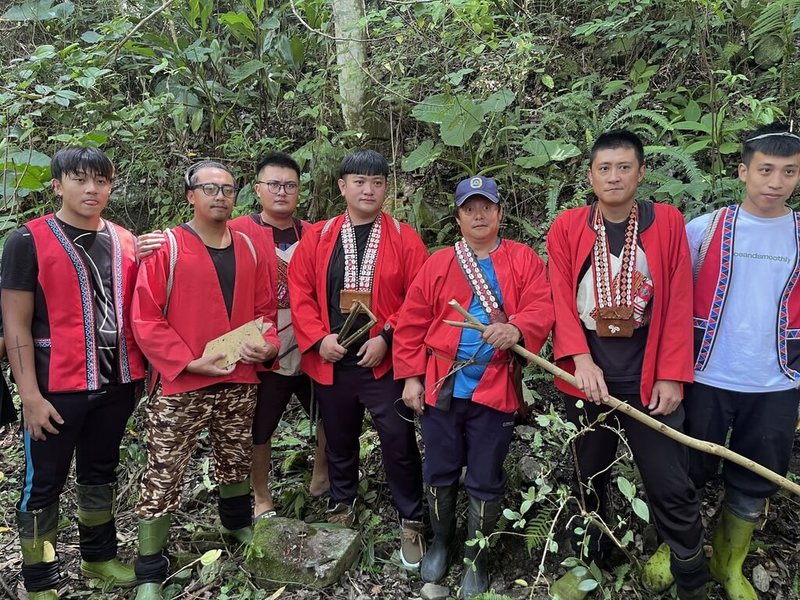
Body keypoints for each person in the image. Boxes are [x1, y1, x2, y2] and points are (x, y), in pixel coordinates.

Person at [546, 130, 707, 600]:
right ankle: (586, 561)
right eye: (604, 168)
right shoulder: (568, 227)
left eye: (623, 167)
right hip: (587, 375)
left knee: (669, 482)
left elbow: (679, 300)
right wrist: (578, 360)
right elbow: (558, 296)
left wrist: (673, 374)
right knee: (586, 476)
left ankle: (692, 578)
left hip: (649, 375)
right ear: (590, 176)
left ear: (640, 172)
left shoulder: (667, 222)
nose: (613, 177)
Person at [394, 176, 554, 598]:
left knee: (485, 474)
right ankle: (443, 539)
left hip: (494, 384)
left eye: (486, 207)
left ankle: (476, 555)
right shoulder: (440, 262)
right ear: (458, 217)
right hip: (442, 383)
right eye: (470, 208)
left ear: (500, 213)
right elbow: (411, 322)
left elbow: (542, 305)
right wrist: (411, 377)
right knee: (440, 469)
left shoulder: (522, 259)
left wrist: (517, 327)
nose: (479, 215)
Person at [130, 160, 279, 600]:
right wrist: (190, 362)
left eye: (228, 189)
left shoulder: (252, 247)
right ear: (190, 195)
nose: (220, 196)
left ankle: (236, 527)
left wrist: (267, 346)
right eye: (209, 188)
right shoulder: (167, 247)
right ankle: (149, 572)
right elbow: (145, 316)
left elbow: (266, 312)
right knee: (164, 471)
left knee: (235, 456)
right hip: (181, 383)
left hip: (239, 376)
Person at [1, 147, 146, 599]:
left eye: (100, 180)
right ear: (57, 185)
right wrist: (30, 395)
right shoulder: (28, 240)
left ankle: (98, 559)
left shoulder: (124, 239)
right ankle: (40, 580)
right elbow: (15, 323)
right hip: (55, 386)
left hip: (118, 382)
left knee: (100, 471)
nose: (91, 189)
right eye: (80, 180)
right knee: (43, 484)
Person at [288, 149, 428, 568]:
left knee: (399, 442)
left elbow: (419, 298)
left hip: (382, 363)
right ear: (342, 186)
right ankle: (342, 502)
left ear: (387, 187)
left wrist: (387, 335)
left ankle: (411, 519)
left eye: (378, 182)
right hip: (333, 360)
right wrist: (317, 338)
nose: (369, 190)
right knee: (339, 437)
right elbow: (301, 294)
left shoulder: (404, 237)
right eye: (360, 182)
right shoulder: (319, 236)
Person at [683, 124, 800, 600]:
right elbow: (668, 302)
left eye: (789, 172)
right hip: (705, 374)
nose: (776, 182)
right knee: (686, 468)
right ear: (742, 171)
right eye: (766, 170)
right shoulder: (705, 229)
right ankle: (678, 549)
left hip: (777, 381)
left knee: (755, 479)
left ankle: (729, 563)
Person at [229, 152, 329, 519]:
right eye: (274, 184)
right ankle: (260, 495)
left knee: (326, 414)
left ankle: (321, 478)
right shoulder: (238, 230)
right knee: (261, 423)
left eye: (289, 185)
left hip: (311, 338)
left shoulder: (316, 234)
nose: (282, 192)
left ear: (299, 191)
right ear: (258, 189)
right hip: (263, 342)